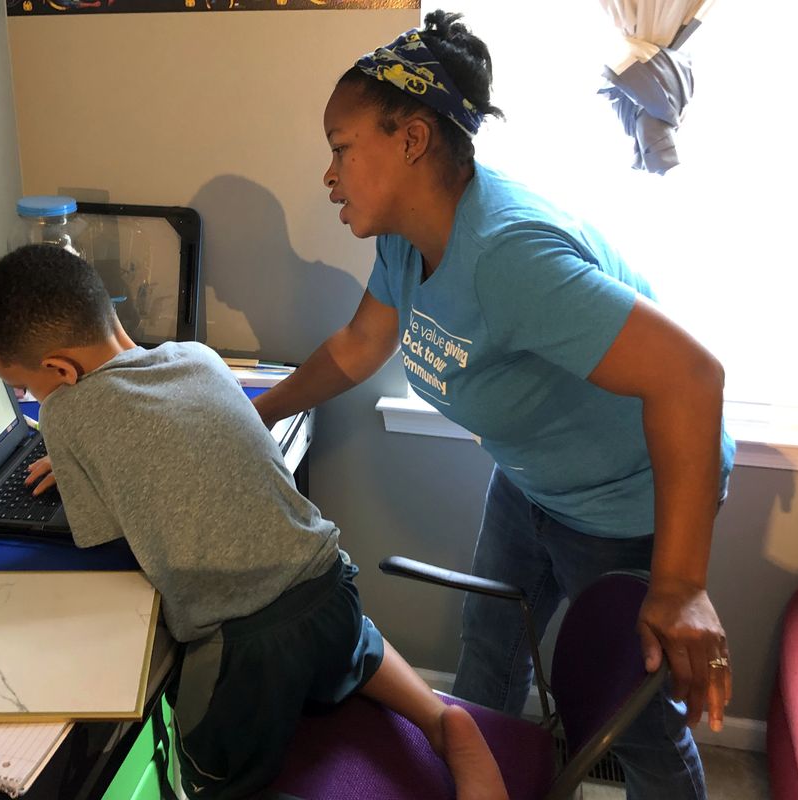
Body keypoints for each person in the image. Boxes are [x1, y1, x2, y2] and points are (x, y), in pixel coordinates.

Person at [250, 11, 734, 800]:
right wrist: (261, 410)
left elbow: (692, 378)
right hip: (533, 482)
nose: (329, 176)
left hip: (626, 506)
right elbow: (360, 345)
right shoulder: (406, 235)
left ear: (410, 139)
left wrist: (679, 584)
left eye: (341, 149)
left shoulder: (509, 253)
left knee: (636, 726)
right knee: (489, 661)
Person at [0, 243, 509, 800]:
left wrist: (76, 453)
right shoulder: (197, 356)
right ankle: (439, 720)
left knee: (209, 779)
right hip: (332, 591)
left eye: (24, 386)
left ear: (60, 369)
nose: (28, 398)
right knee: (347, 643)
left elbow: (108, 537)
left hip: (246, 654)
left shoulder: (64, 413)